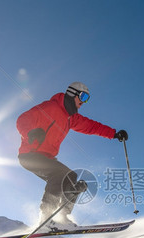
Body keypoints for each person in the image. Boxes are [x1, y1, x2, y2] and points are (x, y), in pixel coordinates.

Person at [17, 81, 128, 229]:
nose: (83, 102)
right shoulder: (50, 107)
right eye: (83, 96)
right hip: (30, 154)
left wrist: (114, 134)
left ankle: (62, 217)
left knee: (71, 177)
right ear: (72, 93)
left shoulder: (71, 118)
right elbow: (23, 119)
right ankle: (45, 217)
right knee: (58, 174)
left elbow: (91, 126)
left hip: (46, 158)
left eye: (87, 99)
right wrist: (30, 133)